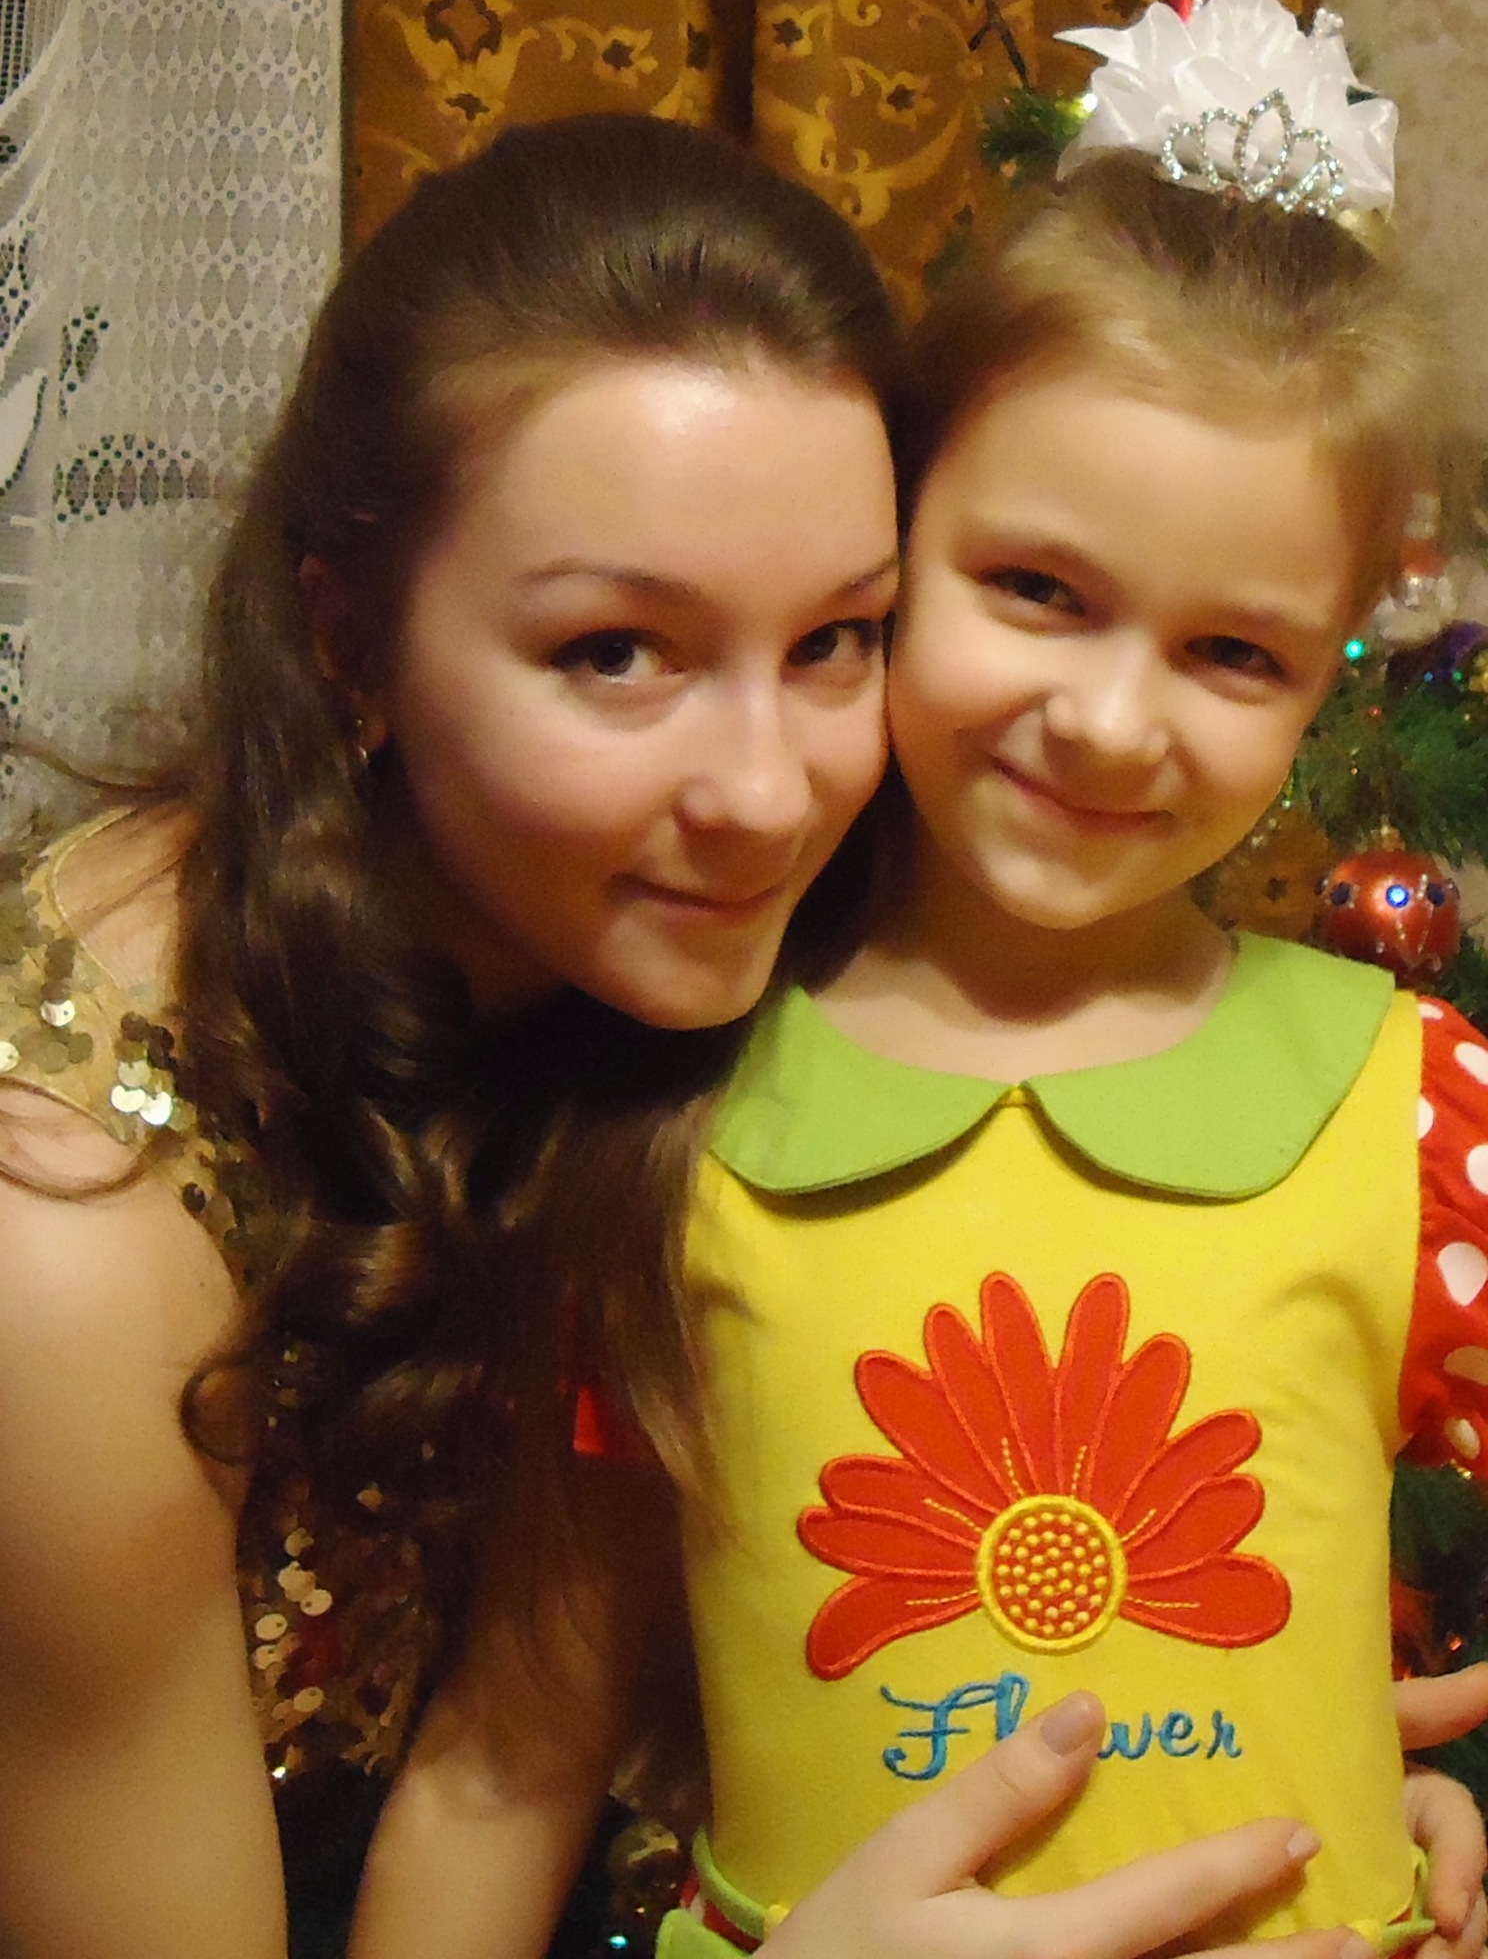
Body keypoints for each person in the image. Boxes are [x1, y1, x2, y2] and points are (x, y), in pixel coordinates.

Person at [0, 107, 1478, 1959]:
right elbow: (511, 1751)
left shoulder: (717, 980)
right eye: (615, 652)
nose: (772, 794)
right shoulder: (69, 1244)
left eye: (838, 636)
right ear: (351, 643)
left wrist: (1287, 1735)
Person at [407, 0, 1488, 1959]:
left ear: (1331, 668)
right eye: (1039, 591)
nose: (1110, 721)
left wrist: (1370, 1757)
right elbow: (512, 1754)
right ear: (898, 539)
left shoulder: (1418, 1110)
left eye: (1232, 652)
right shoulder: (667, 1101)